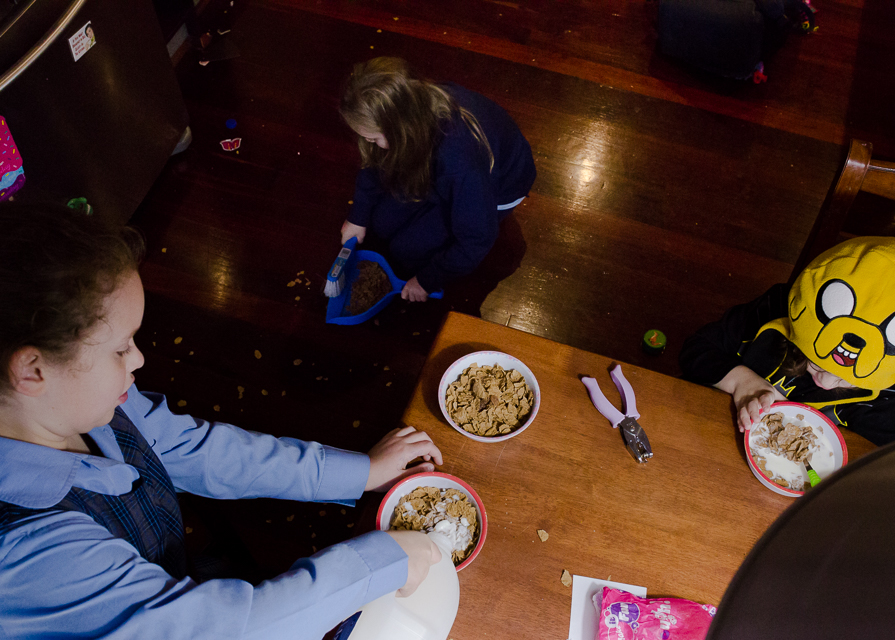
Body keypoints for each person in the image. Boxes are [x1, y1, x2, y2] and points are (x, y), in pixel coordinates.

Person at [0, 202, 444, 637]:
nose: (138, 358)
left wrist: (360, 473)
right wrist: (377, 564)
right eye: (120, 349)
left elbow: (192, 450)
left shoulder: (79, 401)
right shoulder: (28, 558)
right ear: (32, 370)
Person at [679, 236, 895, 446]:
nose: (826, 383)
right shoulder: (777, 310)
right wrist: (742, 381)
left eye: (844, 380)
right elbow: (696, 350)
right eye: (817, 365)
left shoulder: (883, 392)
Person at [339, 57, 537, 302]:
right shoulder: (413, 107)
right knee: (381, 222)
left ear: (402, 130)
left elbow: (477, 237)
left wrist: (427, 280)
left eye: (372, 138)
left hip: (500, 184)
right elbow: (374, 164)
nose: (367, 142)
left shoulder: (459, 164)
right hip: (446, 171)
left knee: (406, 250)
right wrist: (358, 215)